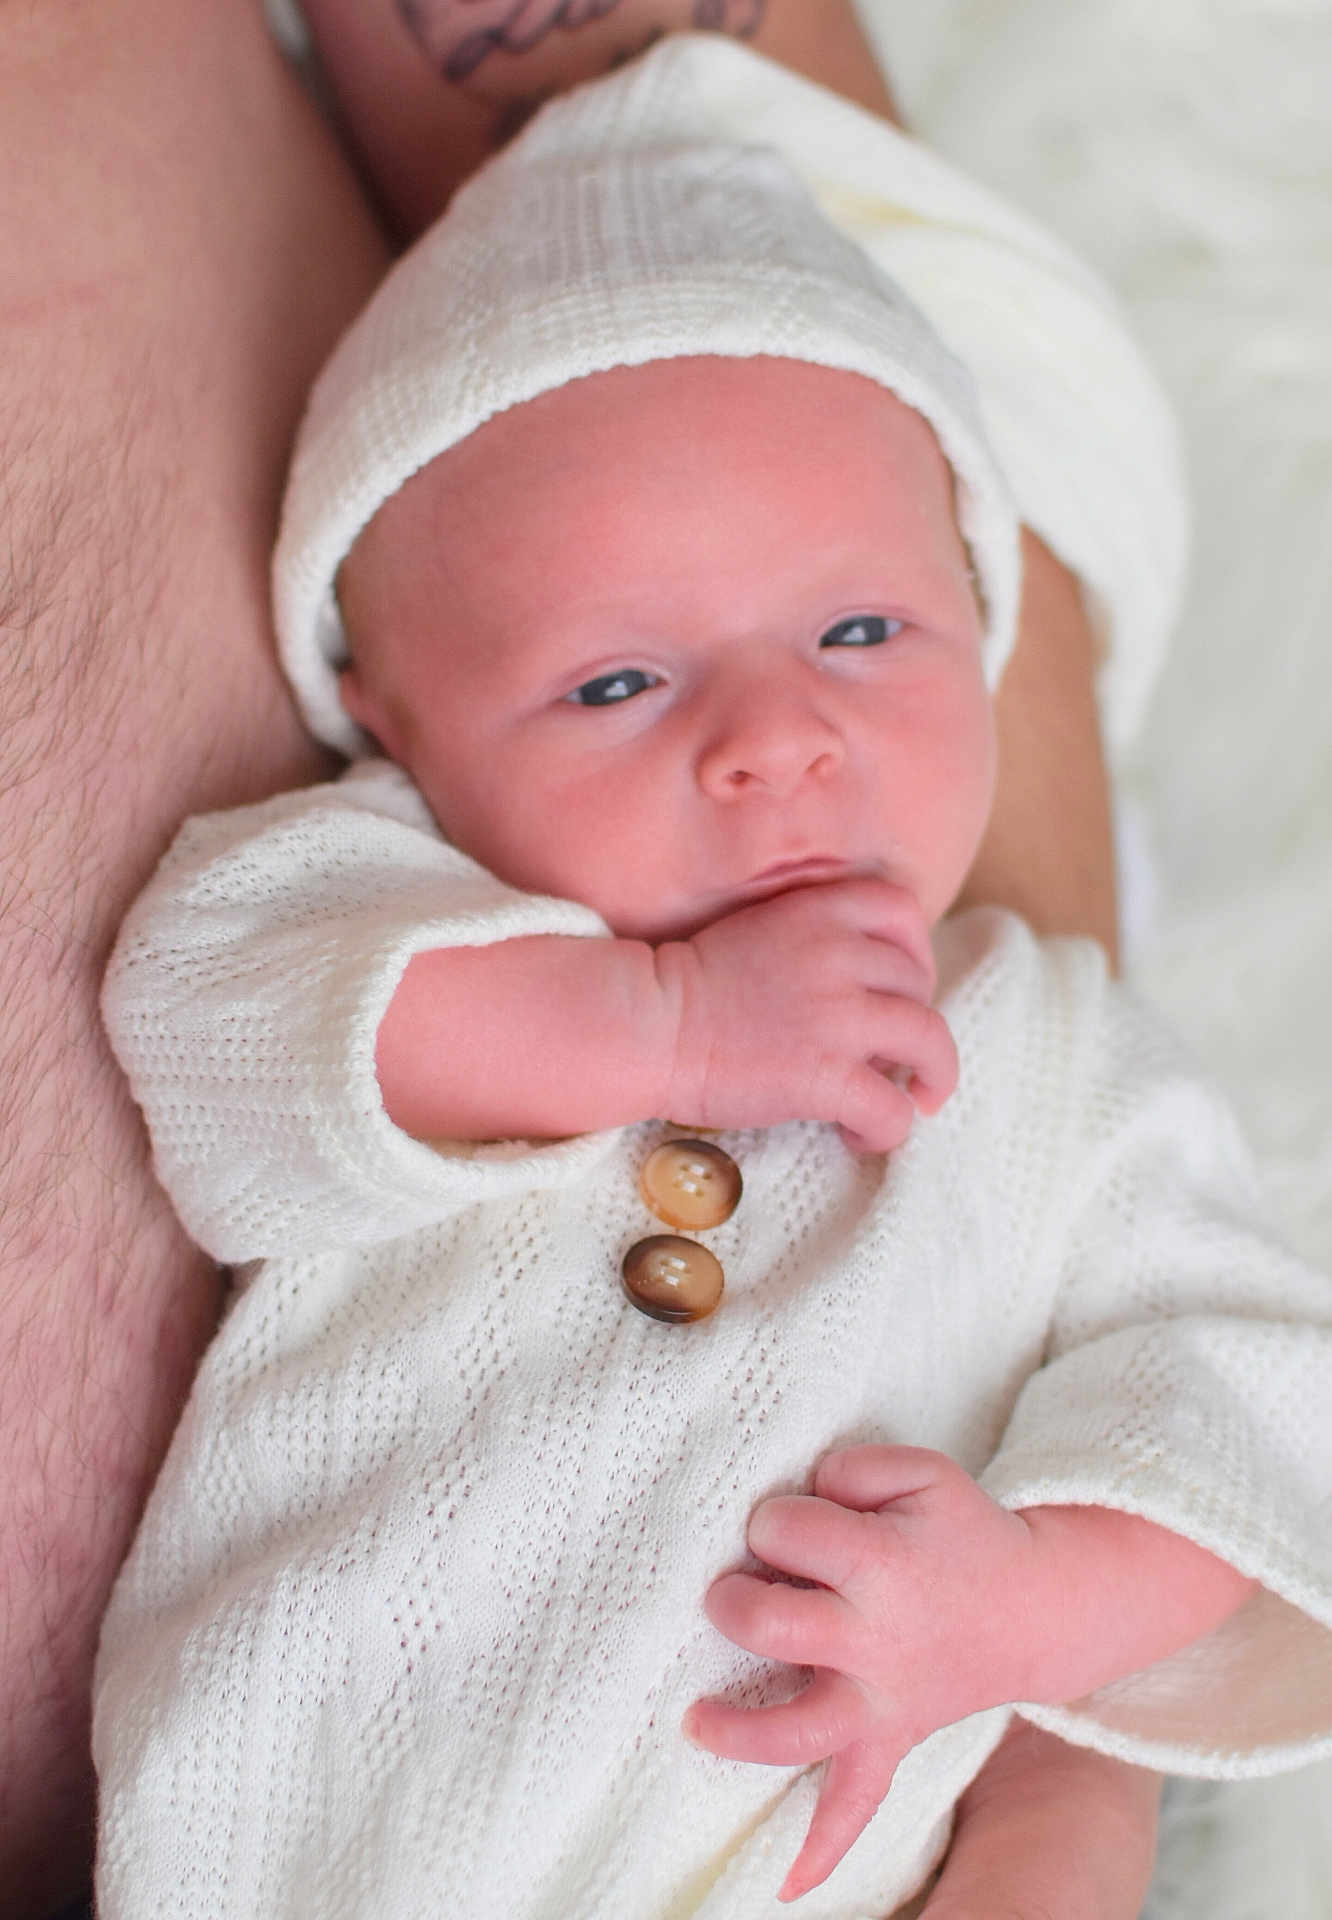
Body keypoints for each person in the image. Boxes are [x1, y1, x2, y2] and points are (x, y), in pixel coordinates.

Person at [91, 39, 1332, 1919]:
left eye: (860, 627)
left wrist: (1038, 1602)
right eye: (614, 683)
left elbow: (1246, 1393)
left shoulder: (1054, 1051)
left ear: (981, 622)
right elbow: (218, 1020)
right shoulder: (384, 910)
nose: (779, 739)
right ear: (392, 731)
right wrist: (656, 1024)